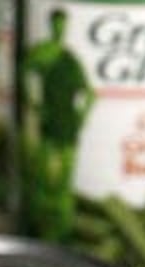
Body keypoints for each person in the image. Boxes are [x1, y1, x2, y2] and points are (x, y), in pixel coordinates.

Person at [22, 8, 94, 239]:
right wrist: (34, 104)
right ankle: (45, 230)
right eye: (56, 24)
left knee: (65, 180)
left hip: (67, 123)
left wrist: (82, 116)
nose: (59, 29)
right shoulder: (43, 53)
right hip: (49, 122)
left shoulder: (70, 58)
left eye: (62, 25)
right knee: (43, 178)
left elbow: (90, 92)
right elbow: (25, 72)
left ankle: (64, 232)